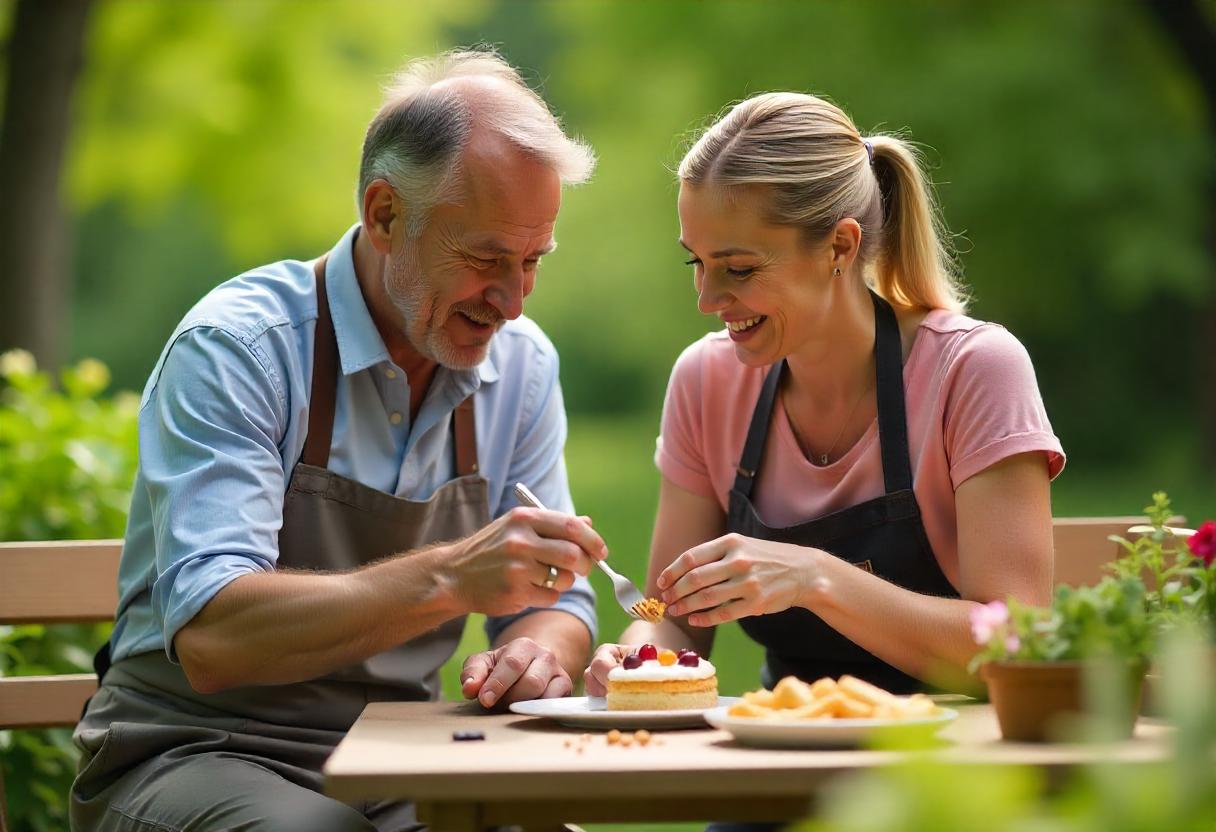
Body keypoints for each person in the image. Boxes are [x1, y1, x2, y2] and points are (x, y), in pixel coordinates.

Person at [72, 49, 603, 832]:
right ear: (385, 214)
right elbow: (215, 637)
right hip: (191, 754)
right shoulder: (240, 348)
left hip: (402, 762)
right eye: (486, 259)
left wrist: (539, 651)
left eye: (531, 263)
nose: (513, 302)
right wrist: (451, 575)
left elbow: (562, 599)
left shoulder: (521, 368)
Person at [587, 91, 1065, 703]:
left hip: (950, 765)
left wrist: (816, 577)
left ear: (840, 246)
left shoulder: (972, 370)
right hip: (780, 750)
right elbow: (672, 612)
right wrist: (640, 651)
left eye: (737, 268)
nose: (707, 299)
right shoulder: (705, 381)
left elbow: (1016, 647)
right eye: (696, 264)